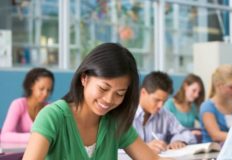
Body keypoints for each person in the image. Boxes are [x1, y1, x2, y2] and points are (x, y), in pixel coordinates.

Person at [23, 43, 166, 160]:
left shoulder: (115, 121)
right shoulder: (52, 116)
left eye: (119, 93)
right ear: (84, 78)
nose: (109, 100)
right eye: (103, 88)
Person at [133, 71, 197, 154]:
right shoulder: (125, 115)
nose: (160, 105)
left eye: (164, 101)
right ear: (143, 93)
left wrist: (178, 140)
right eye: (157, 100)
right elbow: (115, 151)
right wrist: (143, 148)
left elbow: (186, 133)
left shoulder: (165, 115)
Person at [1, 67, 54, 143]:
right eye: (41, 89)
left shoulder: (50, 108)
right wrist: (36, 137)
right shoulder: (18, 105)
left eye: (48, 90)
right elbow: (4, 136)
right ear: (31, 86)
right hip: (18, 153)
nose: (45, 94)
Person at [199, 64, 232, 143]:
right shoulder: (207, 107)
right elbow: (216, 135)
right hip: (213, 153)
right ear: (218, 85)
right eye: (231, 87)